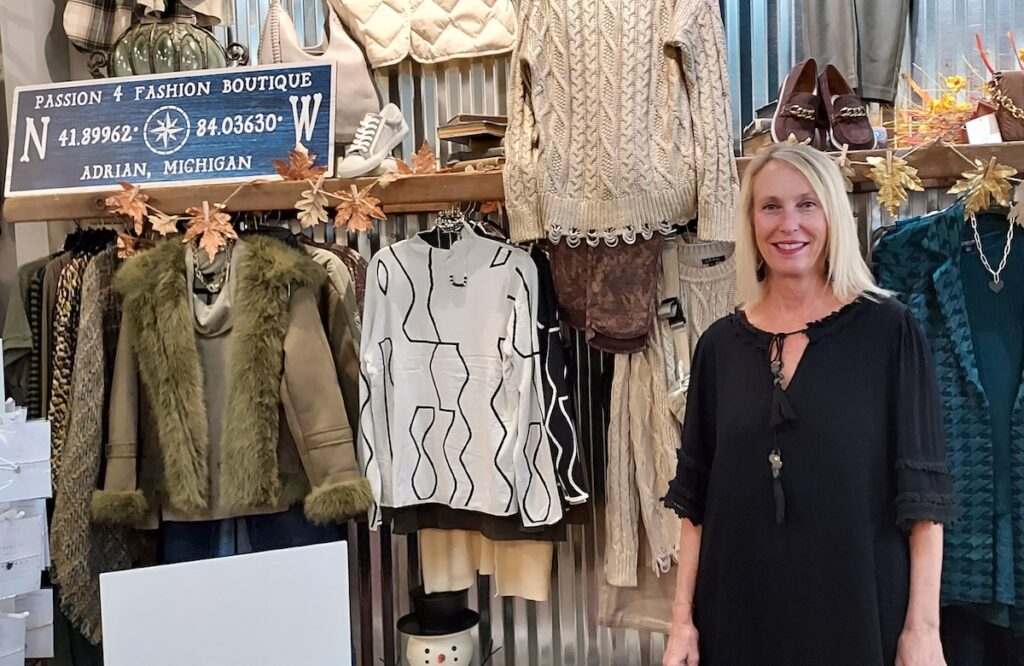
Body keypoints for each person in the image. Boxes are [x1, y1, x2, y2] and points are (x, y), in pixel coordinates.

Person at [661, 143, 957, 666]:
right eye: (770, 206)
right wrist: (682, 621)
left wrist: (923, 629)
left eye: (807, 204)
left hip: (858, 616)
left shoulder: (889, 332)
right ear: (750, 220)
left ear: (833, 216)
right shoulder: (719, 347)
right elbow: (695, 504)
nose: (788, 224)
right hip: (737, 617)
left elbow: (924, 501)